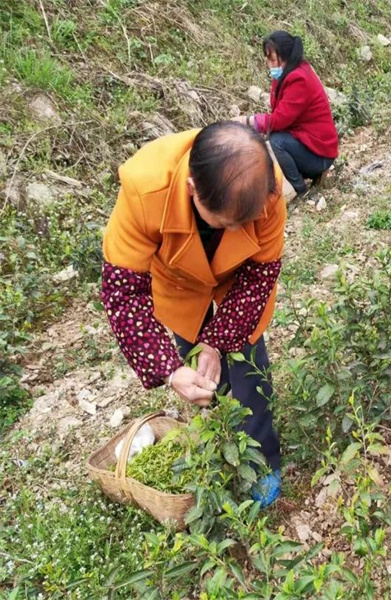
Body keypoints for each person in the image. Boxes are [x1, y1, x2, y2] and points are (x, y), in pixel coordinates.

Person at [101, 121, 286, 506]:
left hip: (239, 277)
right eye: (226, 222)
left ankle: (262, 459)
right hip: (179, 279)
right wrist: (170, 370)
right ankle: (224, 450)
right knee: (196, 365)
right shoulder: (144, 187)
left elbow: (260, 275)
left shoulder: (266, 186)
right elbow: (124, 294)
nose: (238, 228)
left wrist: (219, 341)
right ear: (192, 190)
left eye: (244, 222)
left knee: (248, 362)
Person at [236, 31, 338, 198]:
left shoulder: (299, 79)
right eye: (268, 59)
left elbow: (279, 120)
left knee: (277, 142)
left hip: (320, 153)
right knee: (268, 142)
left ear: (284, 57)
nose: (269, 64)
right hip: (309, 143)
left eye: (272, 59)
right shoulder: (287, 74)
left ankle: (300, 190)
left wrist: (247, 121)